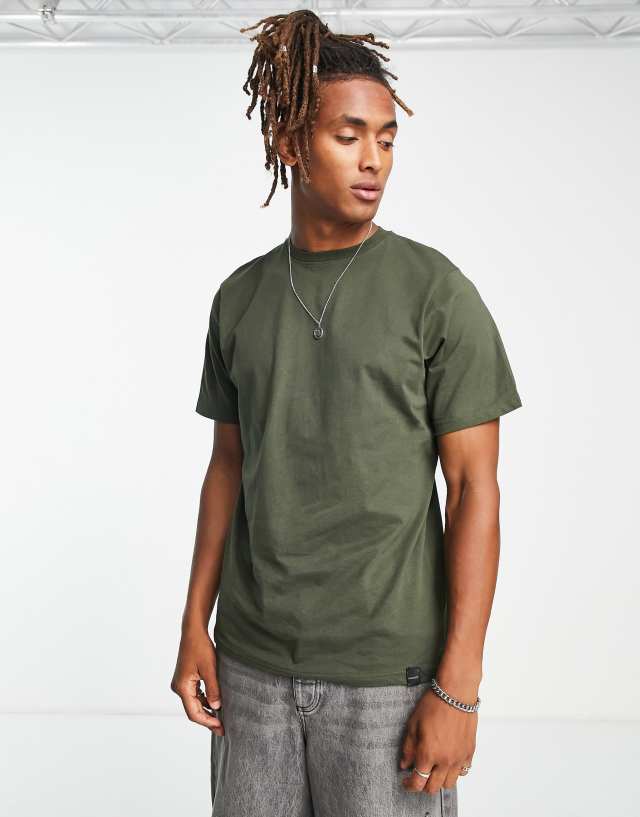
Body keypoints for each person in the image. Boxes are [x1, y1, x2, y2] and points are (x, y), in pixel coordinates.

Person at [170, 9, 523, 817]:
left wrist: (460, 686)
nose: (374, 160)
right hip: (252, 670)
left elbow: (475, 488)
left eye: (387, 140)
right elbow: (228, 467)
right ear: (291, 142)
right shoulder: (240, 298)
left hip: (388, 682)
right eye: (349, 136)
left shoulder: (436, 293)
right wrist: (195, 622)